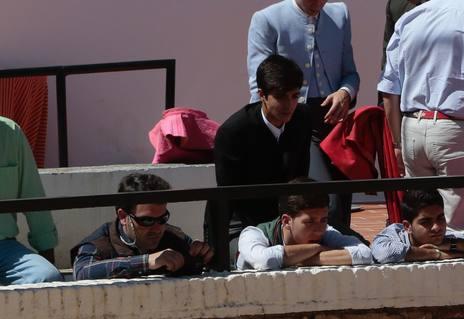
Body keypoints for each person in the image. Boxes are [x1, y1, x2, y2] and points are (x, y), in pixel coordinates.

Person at [379, 0, 464, 234]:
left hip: (412, 128)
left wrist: (397, 144)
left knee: (422, 221)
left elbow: (389, 90)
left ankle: (422, 268)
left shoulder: (409, 18)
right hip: (457, 129)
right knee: (457, 229)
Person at [247, 0, 360, 230]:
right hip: (295, 119)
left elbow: (350, 74)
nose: (318, 3)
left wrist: (344, 92)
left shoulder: (339, 13)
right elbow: (259, 84)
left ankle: (340, 252)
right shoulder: (267, 19)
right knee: (323, 197)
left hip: (335, 118)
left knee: (342, 195)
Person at [211, 55, 313, 254]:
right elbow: (227, 196)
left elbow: (299, 179)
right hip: (242, 225)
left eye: (294, 96)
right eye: (280, 96)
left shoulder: (302, 119)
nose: (289, 104)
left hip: (285, 221)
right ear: (262, 95)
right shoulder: (233, 132)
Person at [73, 174, 214, 280]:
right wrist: (146, 262)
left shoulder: (173, 235)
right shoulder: (99, 243)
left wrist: (202, 253)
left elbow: (201, 261)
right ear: (123, 216)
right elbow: (82, 272)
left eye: (163, 218)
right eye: (147, 220)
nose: (158, 228)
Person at [235, 179, 373, 271]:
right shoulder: (253, 234)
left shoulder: (327, 231)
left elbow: (364, 254)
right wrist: (318, 248)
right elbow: (264, 261)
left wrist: (299, 258)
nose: (319, 230)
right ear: (286, 221)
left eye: (324, 220)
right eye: (309, 222)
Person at [371, 189, 464, 264]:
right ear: (407, 226)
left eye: (440, 218)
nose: (437, 227)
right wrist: (436, 254)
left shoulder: (445, 240)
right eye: (426, 222)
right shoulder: (393, 235)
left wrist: (452, 245)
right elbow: (385, 253)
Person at [0, 115, 60, 286]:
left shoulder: (10, 132)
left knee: (47, 278)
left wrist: (47, 254)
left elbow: (32, 195)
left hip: (4, 248)